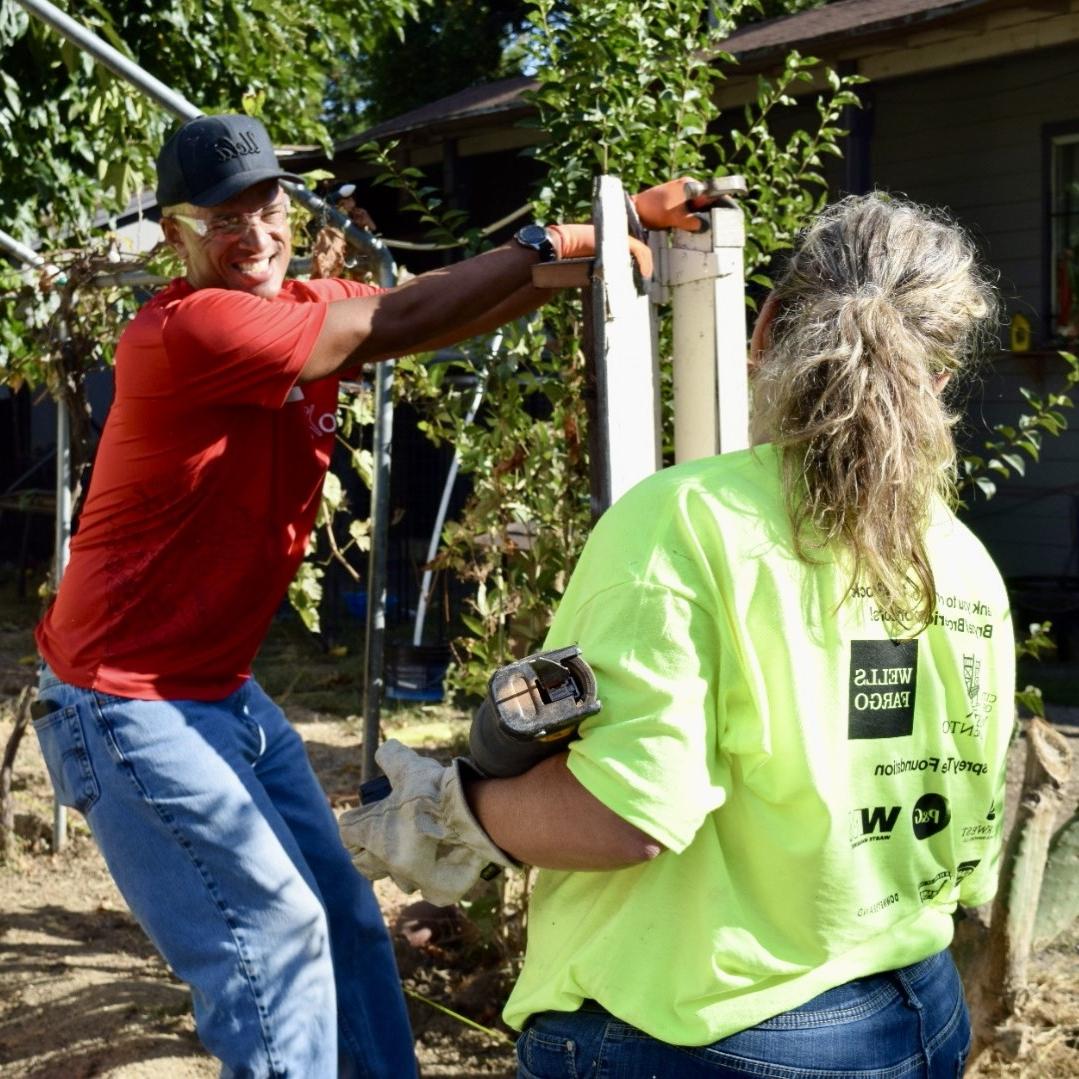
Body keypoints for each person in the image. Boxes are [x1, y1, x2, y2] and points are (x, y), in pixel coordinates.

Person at [29, 113, 686, 1078]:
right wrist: (547, 244)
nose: (254, 234)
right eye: (222, 220)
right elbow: (400, 320)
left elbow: (437, 306)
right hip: (124, 702)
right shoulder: (188, 330)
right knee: (274, 937)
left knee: (340, 917)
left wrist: (608, 231)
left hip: (212, 689)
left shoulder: (299, 302)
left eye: (266, 205)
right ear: (174, 236)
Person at [343, 192, 1016, 1078]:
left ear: (764, 327)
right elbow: (971, 809)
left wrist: (454, 810)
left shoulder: (685, 519)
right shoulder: (959, 555)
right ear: (938, 378)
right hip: (915, 1011)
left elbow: (626, 814)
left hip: (701, 1027)